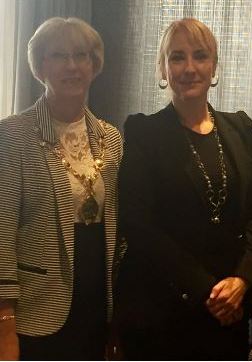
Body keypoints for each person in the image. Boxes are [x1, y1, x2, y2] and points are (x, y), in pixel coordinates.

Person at [114, 18, 252, 360]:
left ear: (214, 67)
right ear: (163, 70)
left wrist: (242, 280)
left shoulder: (241, 128)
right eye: (177, 57)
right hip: (162, 310)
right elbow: (138, 225)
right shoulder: (143, 132)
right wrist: (207, 290)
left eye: (200, 55)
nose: (190, 67)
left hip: (230, 311)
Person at [0, 17, 123, 360]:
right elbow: (1, 235)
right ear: (40, 67)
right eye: (58, 55)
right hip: (34, 314)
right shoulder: (12, 136)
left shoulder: (111, 138)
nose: (72, 65)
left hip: (96, 304)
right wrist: (4, 323)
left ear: (94, 65)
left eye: (81, 55)